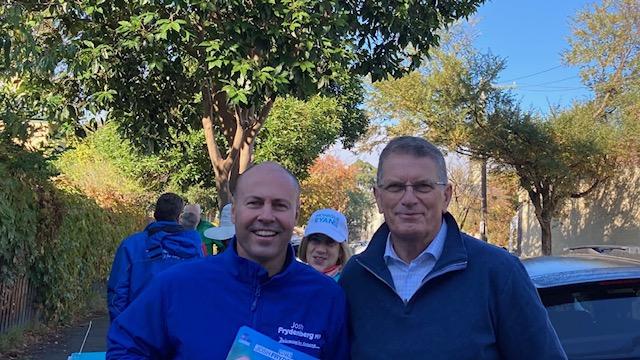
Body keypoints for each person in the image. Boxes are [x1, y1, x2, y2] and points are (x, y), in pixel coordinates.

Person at [339, 136, 566, 359]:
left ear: (446, 196)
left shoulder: (498, 272)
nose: (409, 199)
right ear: (378, 197)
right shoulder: (356, 277)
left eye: (423, 187)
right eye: (395, 187)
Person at [107, 162, 349, 359]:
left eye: (279, 205)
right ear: (234, 212)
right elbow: (125, 349)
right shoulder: (177, 285)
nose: (266, 216)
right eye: (254, 203)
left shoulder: (326, 298)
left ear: (295, 214)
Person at [107, 193, 203, 323]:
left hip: (140, 328)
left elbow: (118, 291)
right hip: (181, 327)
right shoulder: (194, 247)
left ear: (155, 214)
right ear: (179, 217)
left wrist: (122, 328)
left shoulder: (131, 245)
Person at [298, 208, 352, 281]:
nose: (320, 250)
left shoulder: (348, 286)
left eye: (330, 242)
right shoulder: (292, 281)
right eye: (315, 240)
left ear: (341, 251)